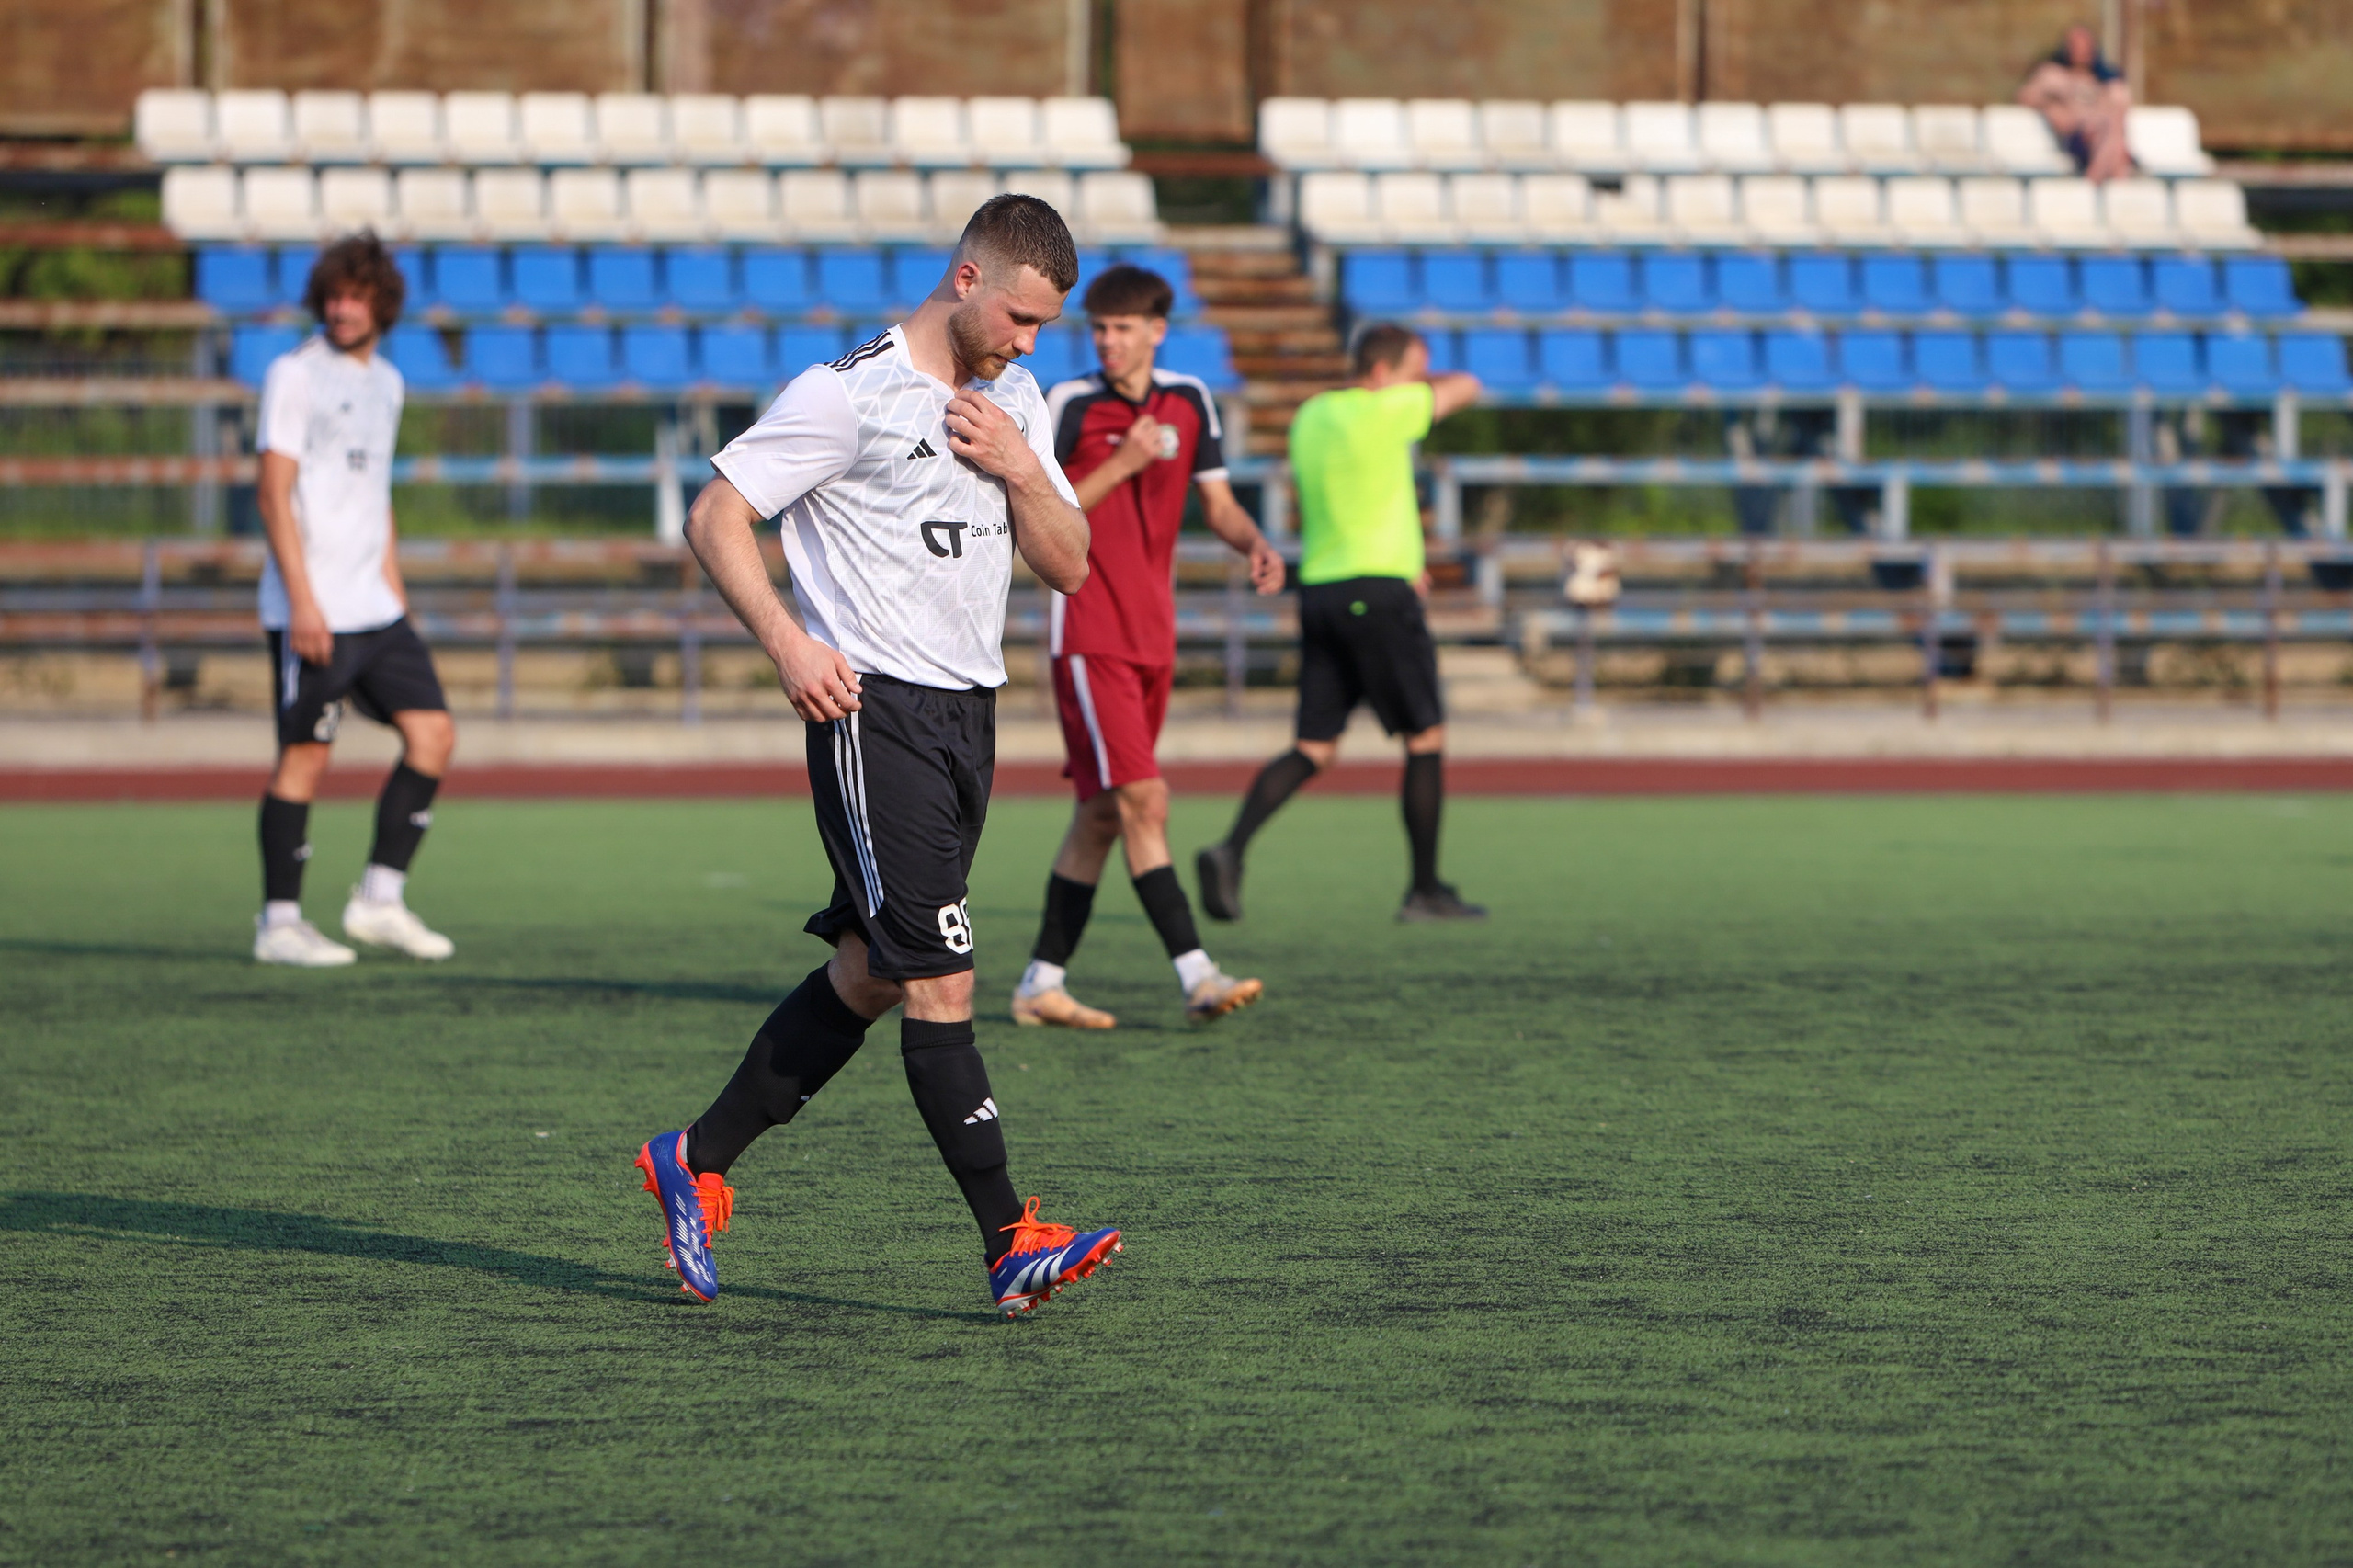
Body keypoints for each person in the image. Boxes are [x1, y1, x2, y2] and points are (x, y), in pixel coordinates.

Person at [635, 196, 1121, 1316]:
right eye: (1020, 316)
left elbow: (1071, 564)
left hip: (970, 714)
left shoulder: (1016, 397)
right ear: (965, 277)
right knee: (940, 977)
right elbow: (717, 515)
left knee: (872, 970)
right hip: (874, 712)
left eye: (1047, 326)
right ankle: (1011, 1239)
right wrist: (786, 640)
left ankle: (693, 1157)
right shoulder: (843, 392)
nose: (1030, 342)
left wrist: (1019, 465)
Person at [1011, 264, 1285, 1031]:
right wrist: (1124, 460)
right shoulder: (1068, 403)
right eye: (1098, 328)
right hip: (1088, 630)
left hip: (1151, 634)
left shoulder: (1191, 400)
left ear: (1157, 331)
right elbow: (1047, 510)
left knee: (1102, 814)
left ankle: (1040, 982)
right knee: (1145, 799)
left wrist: (1254, 542)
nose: (1109, 342)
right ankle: (1197, 974)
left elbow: (1220, 504)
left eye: (1124, 328)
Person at [1194, 324, 1483, 925]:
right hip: (1378, 593)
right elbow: (1468, 386)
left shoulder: (1311, 416)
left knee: (1314, 747)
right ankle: (1424, 889)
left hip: (1321, 590)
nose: (1419, 384)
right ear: (1382, 373)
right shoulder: (1386, 410)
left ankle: (1232, 848)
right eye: (1413, 370)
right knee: (1424, 738)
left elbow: (1362, 495)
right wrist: (1423, 384)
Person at [251, 233, 457, 968]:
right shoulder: (292, 374)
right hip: (313, 610)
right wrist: (303, 601)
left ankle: (379, 899)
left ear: (381, 304)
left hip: (376, 607)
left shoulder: (389, 383)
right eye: (332, 296)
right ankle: (278, 923)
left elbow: (376, 493)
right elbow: (273, 494)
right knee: (306, 758)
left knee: (433, 734)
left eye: (355, 296)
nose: (341, 309)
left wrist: (394, 588)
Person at [2018, 23, 2134, 183]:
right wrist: (2050, 104)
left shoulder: (2104, 81)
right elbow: (2025, 97)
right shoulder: (2053, 75)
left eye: (2085, 45)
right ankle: (2097, 185)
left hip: (2103, 137)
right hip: (2076, 139)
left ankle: (2097, 183)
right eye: (2076, 45)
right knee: (2114, 137)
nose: (2081, 50)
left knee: (2114, 128)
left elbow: (2122, 104)